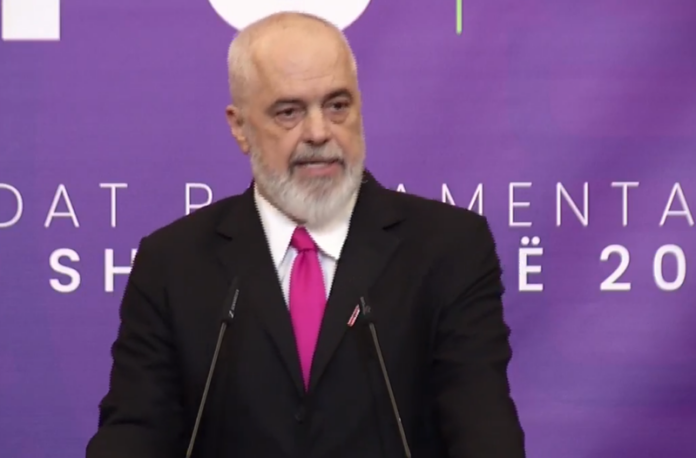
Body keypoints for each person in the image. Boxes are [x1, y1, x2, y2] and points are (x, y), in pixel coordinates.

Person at [86, 11, 525, 458]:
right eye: (289, 112)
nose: (318, 132)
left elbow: (482, 426)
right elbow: (136, 429)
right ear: (240, 127)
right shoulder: (172, 263)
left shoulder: (448, 248)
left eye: (337, 106)